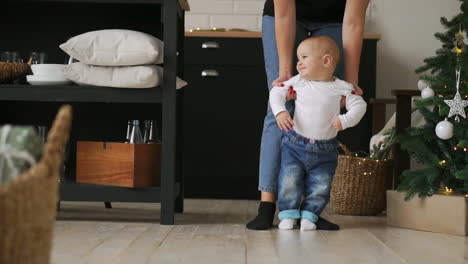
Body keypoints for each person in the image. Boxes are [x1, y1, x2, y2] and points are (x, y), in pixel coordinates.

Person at [247, 0, 369, 230]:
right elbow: (284, 15)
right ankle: (267, 206)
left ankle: (308, 211)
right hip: (285, 18)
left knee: (325, 105)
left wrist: (351, 82)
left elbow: (353, 22)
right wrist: (285, 74)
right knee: (280, 110)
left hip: (336, 20)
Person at [270, 36, 366, 230]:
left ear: (326, 61)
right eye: (299, 58)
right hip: (295, 144)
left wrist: (345, 120)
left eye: (304, 57)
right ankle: (287, 214)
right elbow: (277, 92)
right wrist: (280, 111)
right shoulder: (299, 81)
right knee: (289, 179)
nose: (299, 62)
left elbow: (359, 106)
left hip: (326, 149)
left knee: (321, 184)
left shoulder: (341, 87)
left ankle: (310, 215)